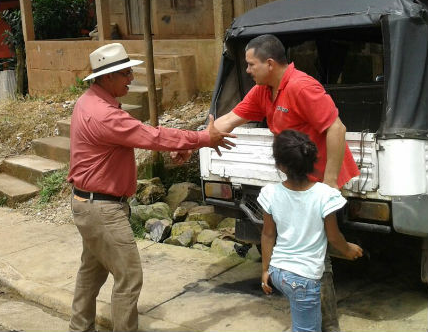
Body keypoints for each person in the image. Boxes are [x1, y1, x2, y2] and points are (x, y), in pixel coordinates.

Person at [67, 43, 236, 332]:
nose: (131, 77)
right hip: (101, 208)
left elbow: (140, 139)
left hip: (89, 204)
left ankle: (79, 327)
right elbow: (152, 136)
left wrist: (183, 145)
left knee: (91, 273)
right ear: (107, 77)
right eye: (125, 73)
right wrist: (203, 138)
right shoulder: (104, 114)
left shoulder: (90, 102)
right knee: (129, 277)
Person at [208, 34, 361, 331]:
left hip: (317, 184)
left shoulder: (302, 87)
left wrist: (329, 184)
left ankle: (325, 324)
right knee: (305, 250)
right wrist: (193, 142)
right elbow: (226, 122)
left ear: (269, 63)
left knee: (320, 255)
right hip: (297, 184)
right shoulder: (263, 91)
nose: (247, 70)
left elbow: (336, 128)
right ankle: (312, 316)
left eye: (250, 65)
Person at [259, 129, 363, 331]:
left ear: (280, 165)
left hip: (279, 273)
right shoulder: (325, 195)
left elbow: (268, 234)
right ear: (312, 160)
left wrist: (265, 270)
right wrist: (348, 249)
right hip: (304, 280)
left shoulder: (270, 193)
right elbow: (333, 236)